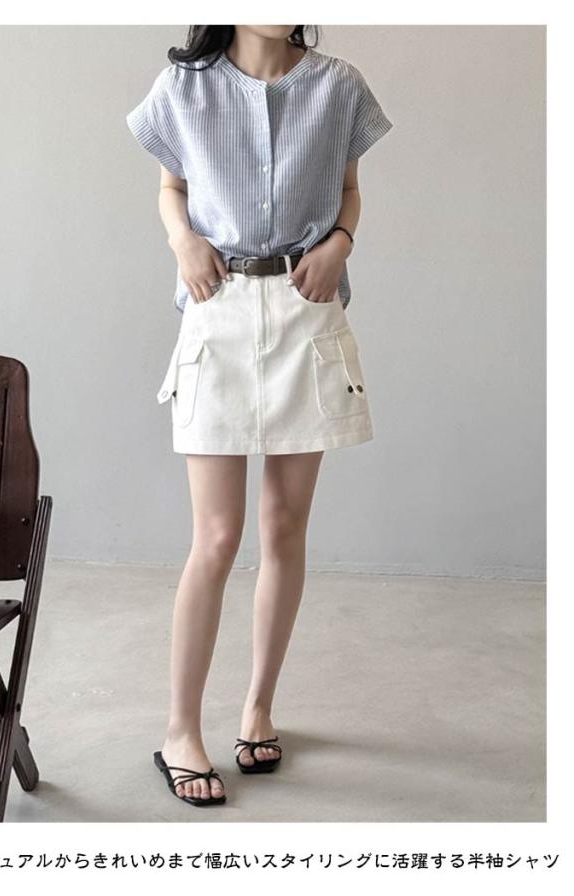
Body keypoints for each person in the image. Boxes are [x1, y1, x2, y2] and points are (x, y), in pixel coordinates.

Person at [126, 24, 393, 807]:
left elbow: (349, 188)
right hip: (220, 309)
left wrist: (340, 242)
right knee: (216, 537)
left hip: (307, 312)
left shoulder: (339, 85)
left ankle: (258, 709)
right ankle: (180, 730)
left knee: (283, 528)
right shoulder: (184, 87)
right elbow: (171, 186)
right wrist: (181, 241)